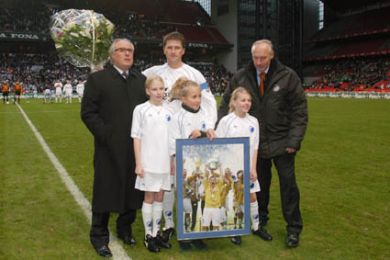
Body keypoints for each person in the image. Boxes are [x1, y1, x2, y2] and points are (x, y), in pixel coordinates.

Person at [218, 39, 308, 248]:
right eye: (255, 57)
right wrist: (220, 131)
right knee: (259, 186)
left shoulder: (287, 76)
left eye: (263, 57)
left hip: (283, 142)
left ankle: (293, 228)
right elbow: (225, 104)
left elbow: (299, 110)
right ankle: (260, 220)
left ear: (272, 55)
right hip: (253, 144)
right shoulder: (241, 76)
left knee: (288, 187)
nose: (259, 62)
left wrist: (294, 140)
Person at [143, 31, 217, 243]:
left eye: (177, 48)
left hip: (190, 139)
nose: (173, 51)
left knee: (189, 184)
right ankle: (168, 225)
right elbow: (131, 82)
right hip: (161, 138)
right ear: (164, 49)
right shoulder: (153, 72)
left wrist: (208, 128)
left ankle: (191, 223)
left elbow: (210, 101)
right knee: (167, 184)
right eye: (169, 47)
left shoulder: (195, 74)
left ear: (183, 50)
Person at [81, 38, 148, 257]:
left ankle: (125, 228)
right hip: (108, 147)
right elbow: (88, 113)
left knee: (132, 189)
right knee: (105, 189)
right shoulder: (98, 79)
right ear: (112, 55)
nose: (127, 54)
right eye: (121, 50)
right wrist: (106, 134)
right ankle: (99, 236)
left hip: (135, 147)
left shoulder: (141, 80)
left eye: (130, 50)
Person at [168, 78, 215, 250]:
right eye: (194, 97)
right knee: (185, 202)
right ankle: (184, 236)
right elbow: (173, 144)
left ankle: (197, 234)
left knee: (200, 200)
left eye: (199, 96)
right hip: (184, 167)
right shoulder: (177, 118)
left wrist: (208, 132)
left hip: (201, 166)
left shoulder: (204, 114)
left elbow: (208, 134)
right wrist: (190, 138)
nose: (198, 100)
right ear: (183, 98)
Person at [216, 87, 266, 245]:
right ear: (234, 102)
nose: (247, 103)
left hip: (247, 167)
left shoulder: (254, 121)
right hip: (231, 167)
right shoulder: (226, 121)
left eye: (249, 100)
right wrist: (223, 169)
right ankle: (235, 229)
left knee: (252, 196)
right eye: (243, 100)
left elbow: (255, 147)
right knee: (234, 198)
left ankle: (257, 226)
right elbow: (219, 146)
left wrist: (253, 168)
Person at [131, 75, 173, 253]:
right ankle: (149, 235)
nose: (159, 92)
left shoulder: (170, 111)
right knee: (149, 197)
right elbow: (136, 137)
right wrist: (139, 163)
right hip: (148, 162)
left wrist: (172, 161)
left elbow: (172, 139)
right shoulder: (140, 110)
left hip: (164, 162)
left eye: (161, 89)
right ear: (148, 91)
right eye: (155, 89)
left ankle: (156, 233)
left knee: (160, 197)